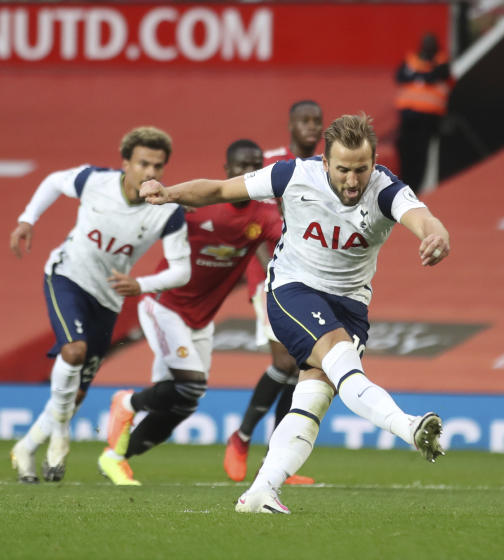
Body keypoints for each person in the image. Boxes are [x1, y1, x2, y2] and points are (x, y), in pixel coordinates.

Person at [140, 113, 450, 514]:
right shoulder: (293, 175)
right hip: (292, 290)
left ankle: (260, 493)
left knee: (314, 397)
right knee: (342, 362)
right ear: (325, 164)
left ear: (374, 164)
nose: (353, 181)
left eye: (361, 169)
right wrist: (169, 192)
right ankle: (408, 427)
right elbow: (219, 189)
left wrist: (436, 235)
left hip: (351, 305)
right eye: (343, 170)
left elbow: (422, 218)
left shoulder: (386, 189)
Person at [9, 127, 190, 484]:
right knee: (73, 352)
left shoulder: (167, 212)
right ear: (125, 163)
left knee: (74, 393)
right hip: (67, 277)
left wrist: (141, 284)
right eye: (142, 163)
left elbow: (182, 270)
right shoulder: (94, 181)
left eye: (158, 166)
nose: (150, 173)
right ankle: (60, 438)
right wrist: (28, 218)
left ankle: (26, 448)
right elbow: (53, 181)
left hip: (108, 299)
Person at [98, 140, 283, 485]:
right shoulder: (200, 204)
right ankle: (126, 402)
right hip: (164, 306)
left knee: (185, 402)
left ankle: (115, 457)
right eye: (242, 166)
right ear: (226, 171)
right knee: (191, 381)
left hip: (201, 318)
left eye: (256, 166)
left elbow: (286, 247)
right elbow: (149, 220)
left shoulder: (265, 214)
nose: (249, 173)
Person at [224, 99, 323, 485]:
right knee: (284, 362)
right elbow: (247, 212)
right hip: (268, 274)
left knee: (301, 368)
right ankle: (241, 437)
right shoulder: (270, 165)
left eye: (317, 121)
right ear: (290, 124)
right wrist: (270, 273)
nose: (312, 128)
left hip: (307, 275)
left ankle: (277, 459)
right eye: (304, 121)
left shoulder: (322, 167)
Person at [394, 32, 451, 192]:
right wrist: (422, 76)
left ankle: (416, 188)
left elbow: (436, 76)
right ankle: (404, 185)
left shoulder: (442, 62)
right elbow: (400, 76)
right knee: (405, 150)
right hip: (408, 114)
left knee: (421, 154)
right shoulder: (411, 59)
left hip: (428, 117)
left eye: (431, 43)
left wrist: (417, 75)